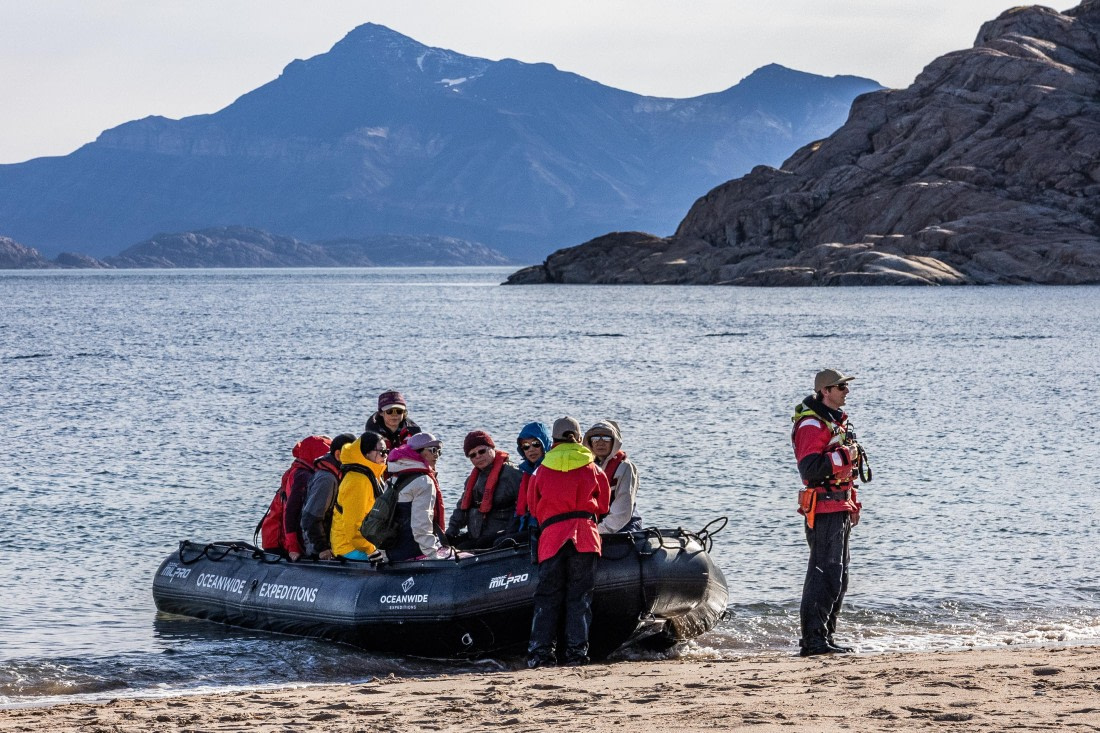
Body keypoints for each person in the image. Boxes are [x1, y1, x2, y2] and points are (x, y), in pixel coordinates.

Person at [791, 368, 867, 657]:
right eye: (841, 387)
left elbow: (845, 471)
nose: (846, 391)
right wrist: (846, 454)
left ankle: (826, 636)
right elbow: (809, 469)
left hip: (840, 506)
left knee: (838, 576)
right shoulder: (812, 425)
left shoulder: (835, 422)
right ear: (825, 391)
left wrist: (853, 503)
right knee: (824, 575)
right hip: (823, 509)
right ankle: (812, 641)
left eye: (846, 386)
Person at [526, 416, 611, 668]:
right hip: (585, 536)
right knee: (580, 598)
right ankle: (577, 654)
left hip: (552, 538)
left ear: (553, 440)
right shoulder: (593, 468)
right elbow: (604, 504)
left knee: (547, 598)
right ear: (578, 436)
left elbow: (532, 506)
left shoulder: (541, 470)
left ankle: (541, 654)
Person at [446, 430, 522, 550]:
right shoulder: (471, 480)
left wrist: (511, 532)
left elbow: (524, 509)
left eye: (482, 451)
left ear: (492, 448)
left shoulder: (513, 474)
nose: (478, 456)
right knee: (455, 546)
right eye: (473, 455)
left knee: (476, 545)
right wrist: (451, 531)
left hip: (503, 536)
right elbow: (461, 509)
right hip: (477, 536)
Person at [385, 432, 454, 561]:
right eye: (433, 450)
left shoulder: (393, 478)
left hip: (392, 552)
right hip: (413, 552)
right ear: (417, 453)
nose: (436, 455)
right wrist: (433, 555)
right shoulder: (424, 481)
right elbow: (421, 525)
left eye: (439, 451)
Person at [329, 431, 388, 560]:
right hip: (350, 547)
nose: (385, 456)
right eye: (381, 452)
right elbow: (354, 526)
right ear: (366, 454)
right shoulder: (358, 481)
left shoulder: (371, 475)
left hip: (363, 543)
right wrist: (371, 550)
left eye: (386, 451)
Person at [300, 433, 357, 560]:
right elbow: (310, 517)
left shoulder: (340, 474)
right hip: (320, 548)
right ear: (338, 455)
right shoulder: (327, 479)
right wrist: (322, 548)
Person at [582, 420, 643, 533]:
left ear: (614, 442)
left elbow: (622, 511)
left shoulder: (625, 467)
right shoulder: (586, 467)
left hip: (624, 525)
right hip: (596, 524)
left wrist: (597, 531)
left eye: (606, 438)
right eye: (595, 438)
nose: (600, 443)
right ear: (590, 442)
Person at [512, 422, 552, 531]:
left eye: (536, 444)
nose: (531, 449)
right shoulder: (527, 471)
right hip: (526, 525)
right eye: (526, 446)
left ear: (545, 444)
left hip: (543, 528)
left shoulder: (551, 470)